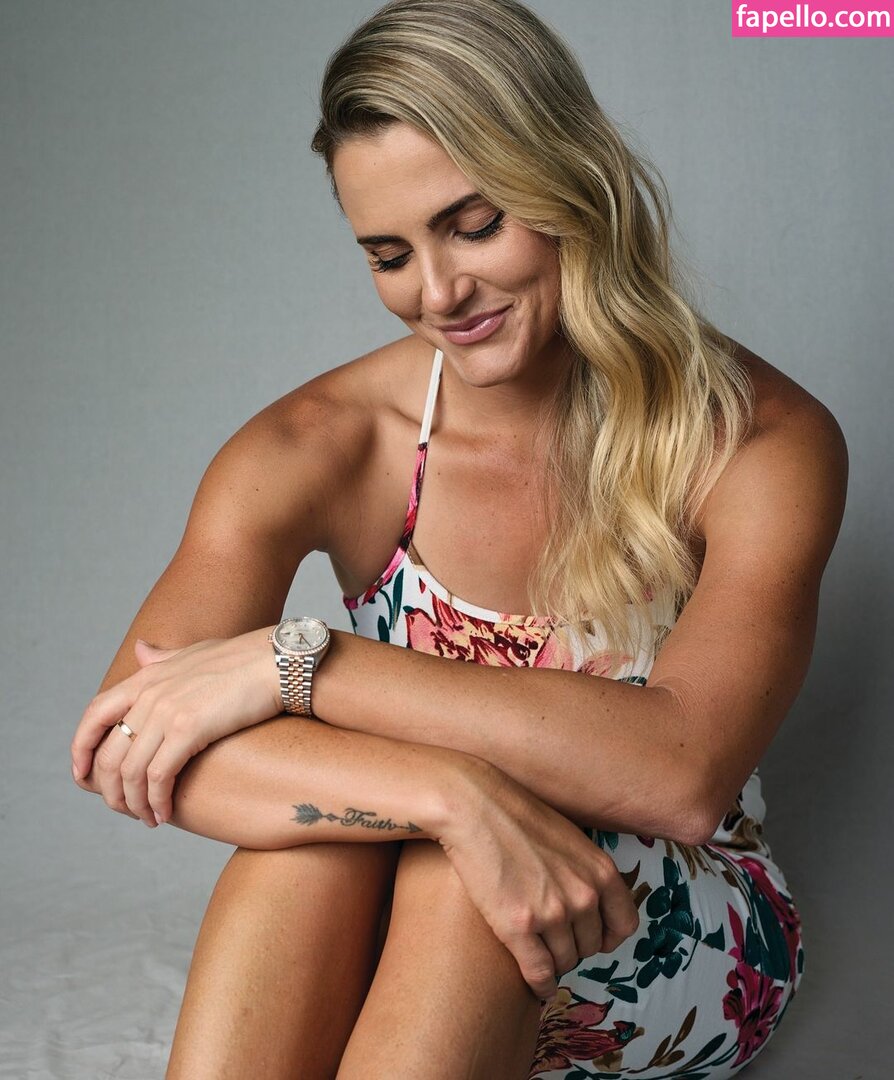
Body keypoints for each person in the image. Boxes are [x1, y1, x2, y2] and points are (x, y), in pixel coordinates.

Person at [69, 1, 848, 1077]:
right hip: (433, 889)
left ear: (570, 181)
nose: (437, 293)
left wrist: (302, 664)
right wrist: (450, 795)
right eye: (389, 254)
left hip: (670, 921)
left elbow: (679, 771)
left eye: (474, 225)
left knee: (451, 874)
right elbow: (128, 739)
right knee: (313, 851)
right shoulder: (323, 443)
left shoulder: (754, 438)